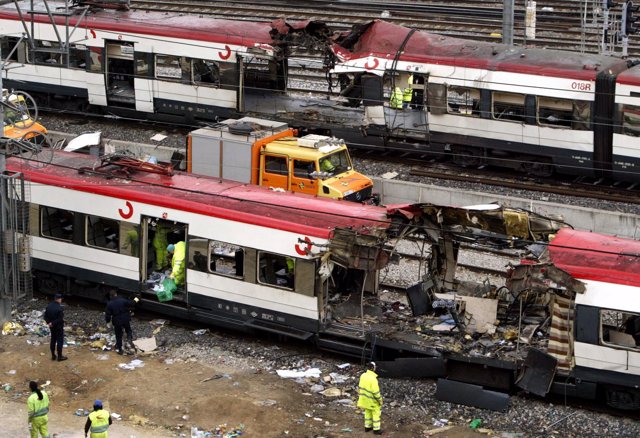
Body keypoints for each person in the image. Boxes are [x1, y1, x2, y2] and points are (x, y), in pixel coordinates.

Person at [105, 290, 138, 355]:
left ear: (110, 296)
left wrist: (108, 322)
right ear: (116, 294)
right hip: (125, 318)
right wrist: (137, 298)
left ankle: (120, 349)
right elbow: (132, 303)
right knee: (128, 330)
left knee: (118, 335)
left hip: (117, 321)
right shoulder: (122, 300)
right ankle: (129, 338)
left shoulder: (109, 304)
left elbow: (108, 315)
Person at [357, 361, 383, 435]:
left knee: (367, 412)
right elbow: (376, 393)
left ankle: (367, 427)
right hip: (372, 401)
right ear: (372, 368)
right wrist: (380, 400)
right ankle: (376, 430)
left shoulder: (363, 375)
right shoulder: (373, 379)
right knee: (376, 414)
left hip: (364, 399)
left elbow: (360, 387)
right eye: (375, 367)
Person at [43, 293, 67, 361]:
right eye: (61, 299)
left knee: (53, 340)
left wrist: (49, 323)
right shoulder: (59, 308)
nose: (61, 300)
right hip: (58, 327)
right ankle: (60, 356)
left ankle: (53, 355)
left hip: (52, 327)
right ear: (59, 299)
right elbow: (60, 319)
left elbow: (45, 316)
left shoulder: (49, 306)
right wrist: (53, 323)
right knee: (59, 340)